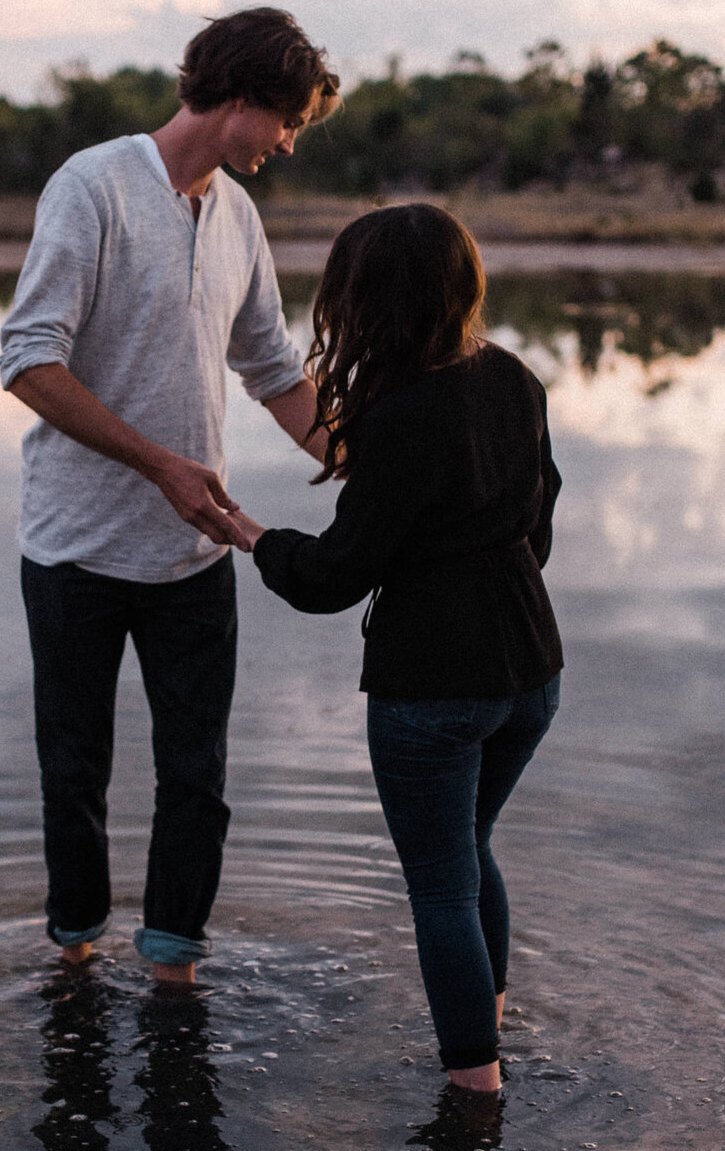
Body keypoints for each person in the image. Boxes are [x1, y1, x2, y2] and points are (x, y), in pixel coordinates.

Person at [0, 7, 339, 986]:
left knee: (198, 778)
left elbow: (273, 368)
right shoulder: (92, 187)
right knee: (76, 773)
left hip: (196, 553)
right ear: (240, 96)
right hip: (73, 548)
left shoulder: (235, 214)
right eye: (287, 121)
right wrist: (159, 464)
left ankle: (173, 962)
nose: (286, 141)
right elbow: (27, 361)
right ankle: (73, 946)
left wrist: (362, 463)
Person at [228, 204, 562, 1095]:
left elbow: (338, 574)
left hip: (433, 687)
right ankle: (486, 1025)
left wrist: (255, 538)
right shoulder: (517, 380)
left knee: (442, 885)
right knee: (470, 847)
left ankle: (473, 1083)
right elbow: (539, 525)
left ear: (372, 304)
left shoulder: (399, 414)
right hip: (532, 670)